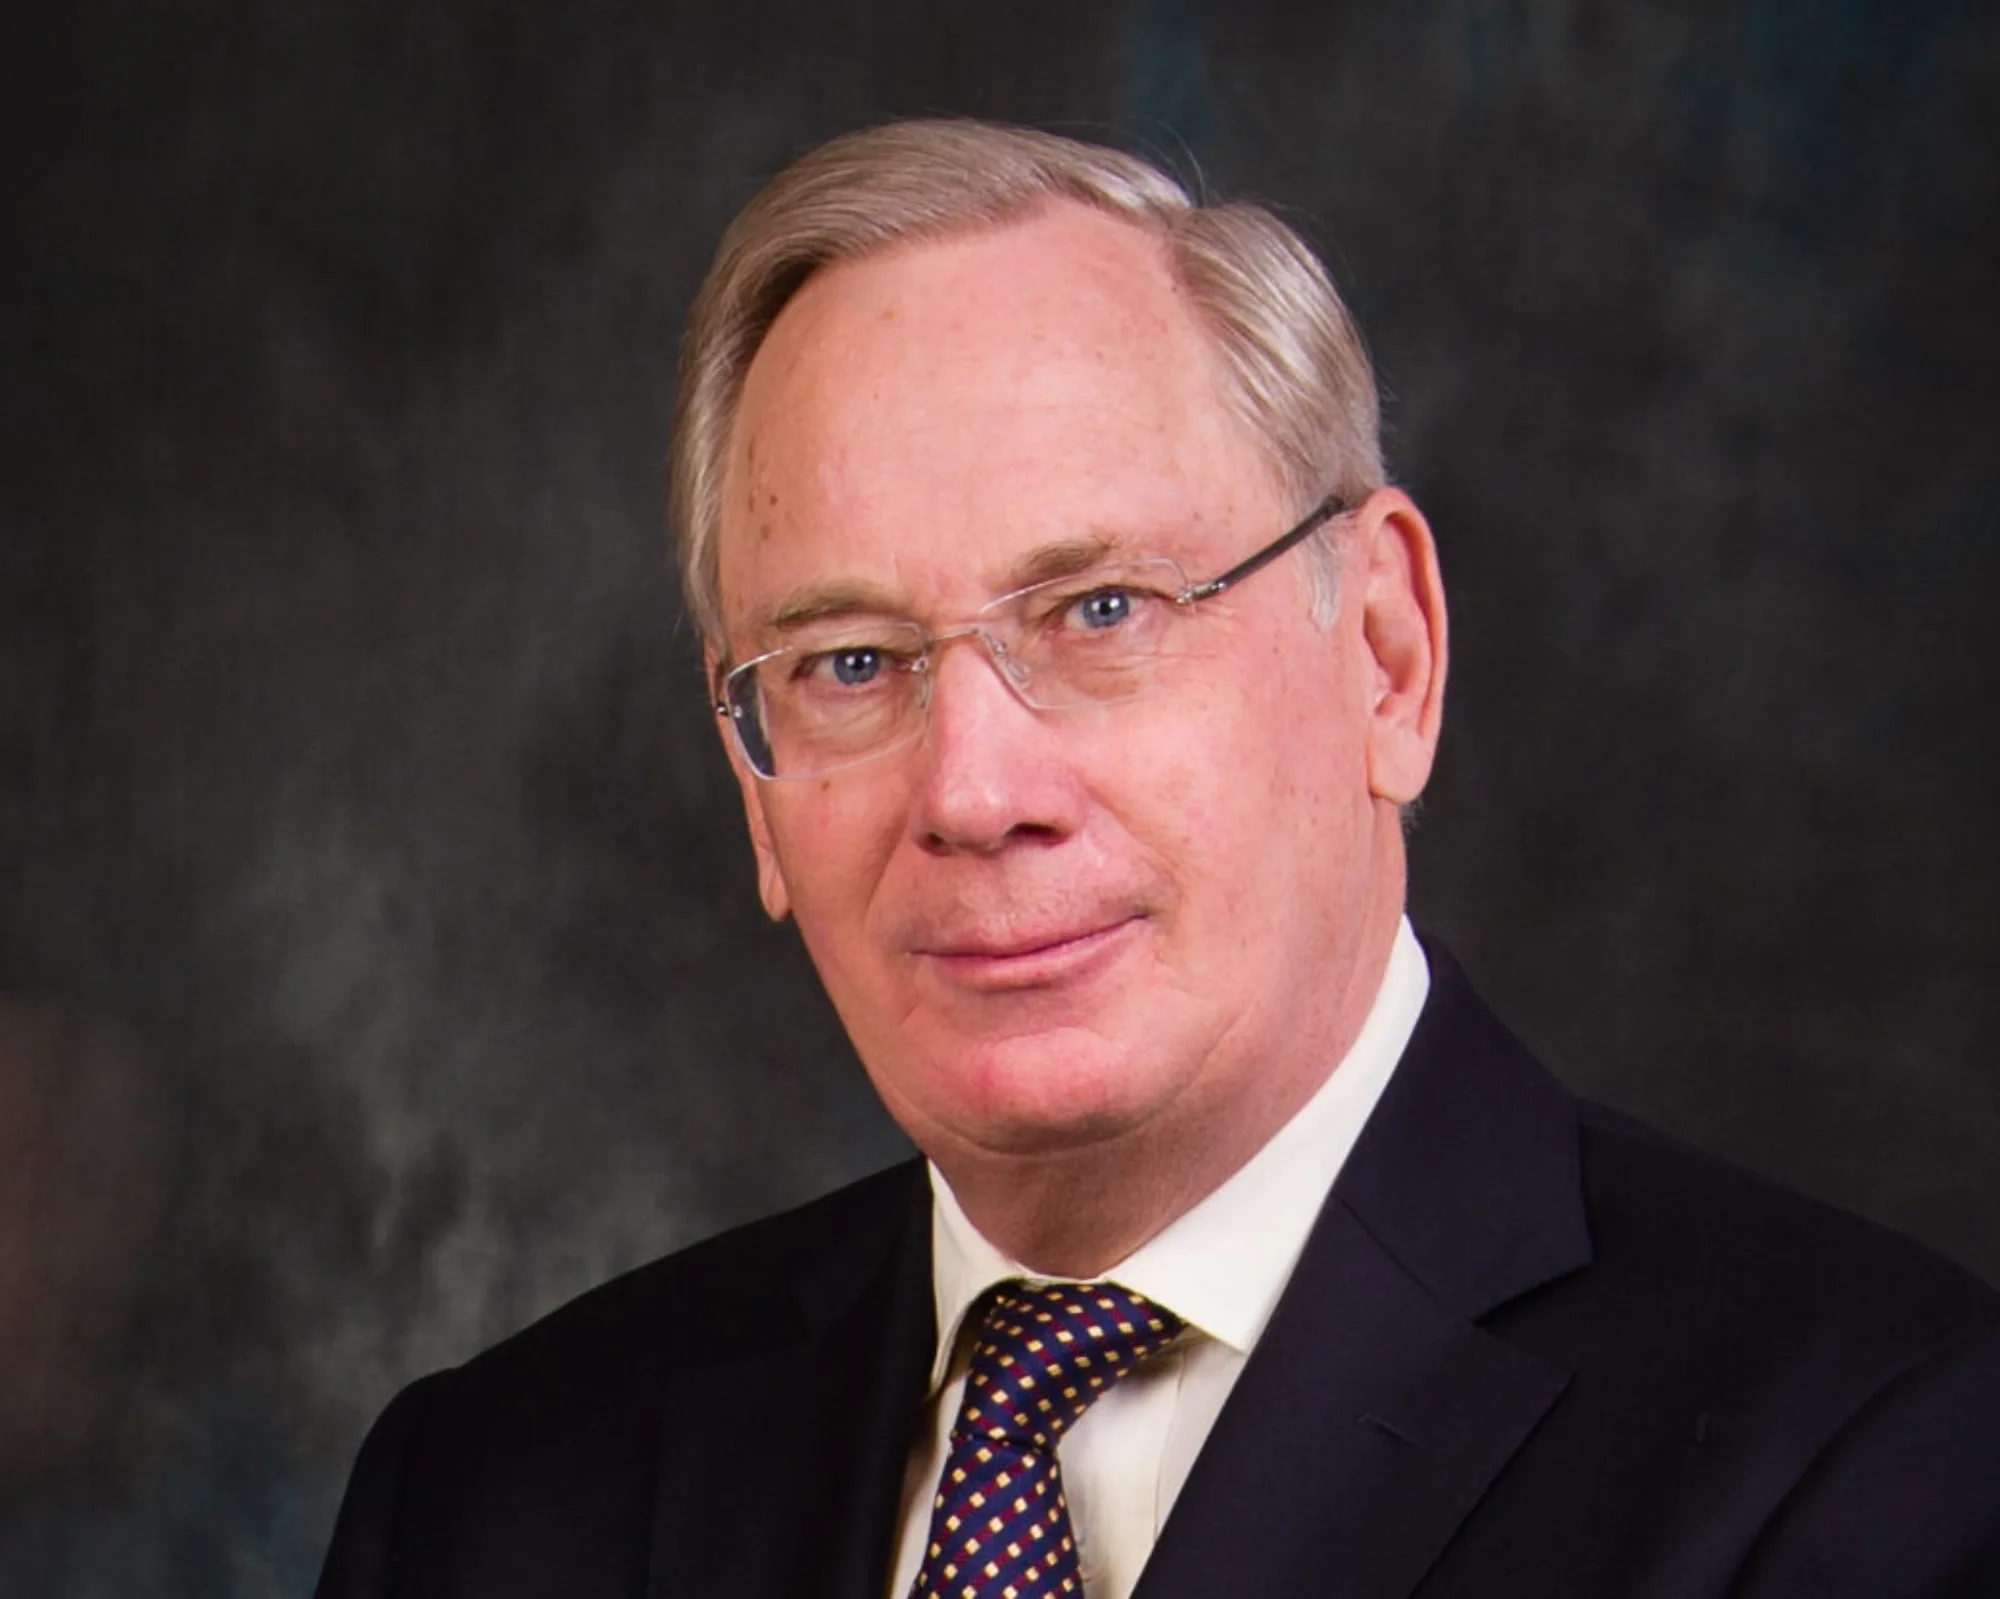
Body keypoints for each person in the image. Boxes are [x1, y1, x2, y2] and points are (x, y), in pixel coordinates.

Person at [316, 120, 2000, 1599]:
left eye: (1102, 611)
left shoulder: (1881, 1466)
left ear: (1390, 658)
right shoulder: (498, 1495)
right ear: (754, 786)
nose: (974, 791)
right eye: (846, 663)